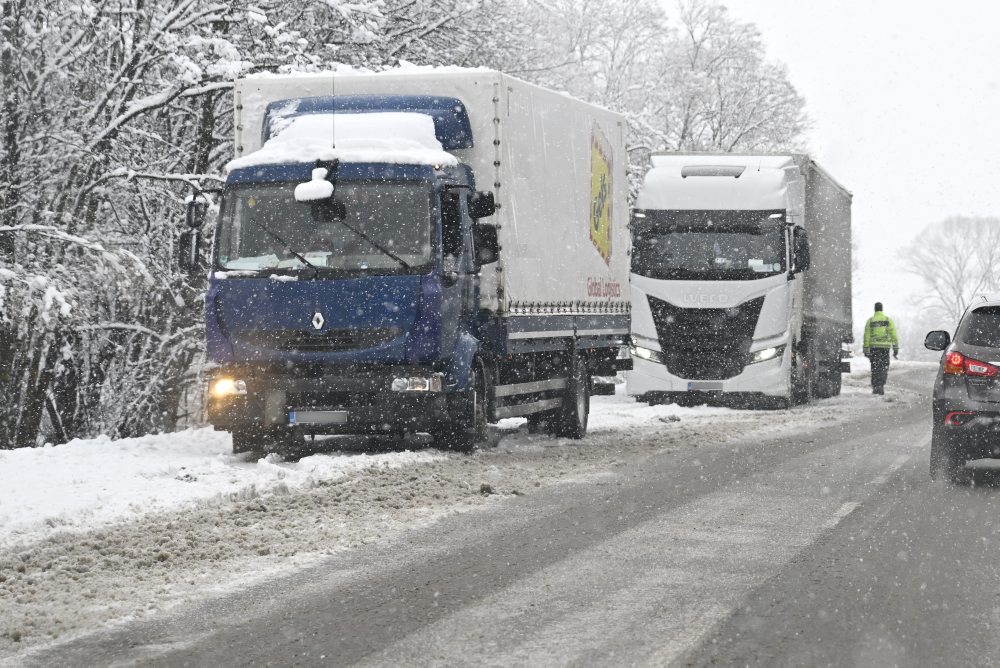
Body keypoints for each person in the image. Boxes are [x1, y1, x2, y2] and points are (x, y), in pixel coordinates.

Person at [863, 302, 900, 395]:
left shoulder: (870, 321)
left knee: (875, 367)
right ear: (882, 309)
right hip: (885, 348)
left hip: (874, 348)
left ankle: (876, 387)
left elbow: (866, 335)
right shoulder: (888, 320)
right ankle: (881, 385)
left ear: (874, 309)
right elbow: (893, 335)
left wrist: (866, 349)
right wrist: (895, 348)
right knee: (883, 367)